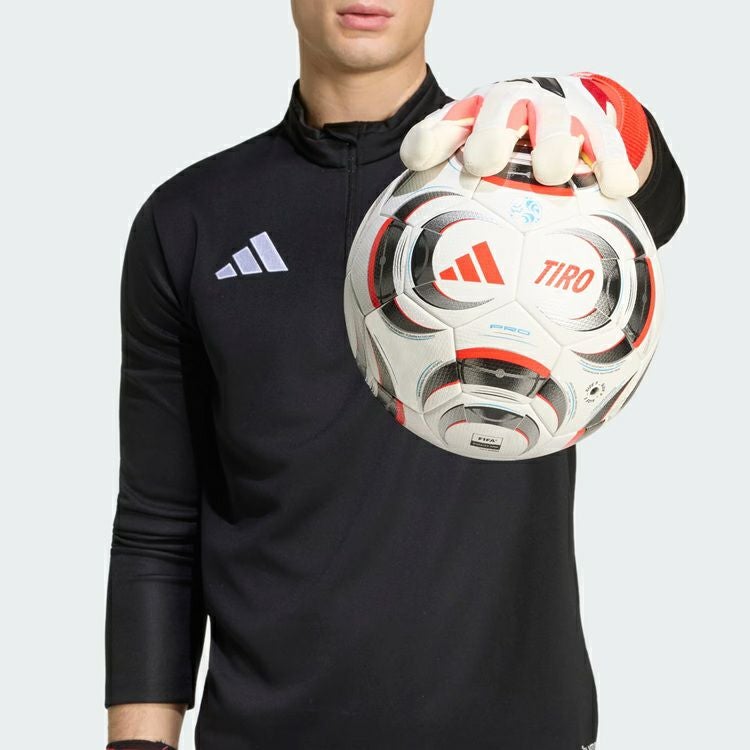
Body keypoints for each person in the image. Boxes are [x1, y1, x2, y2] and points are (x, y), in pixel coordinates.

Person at [105, 1, 685, 748]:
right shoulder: (190, 217)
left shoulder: (533, 173)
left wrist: (598, 114)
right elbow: (157, 524)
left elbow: (656, 195)